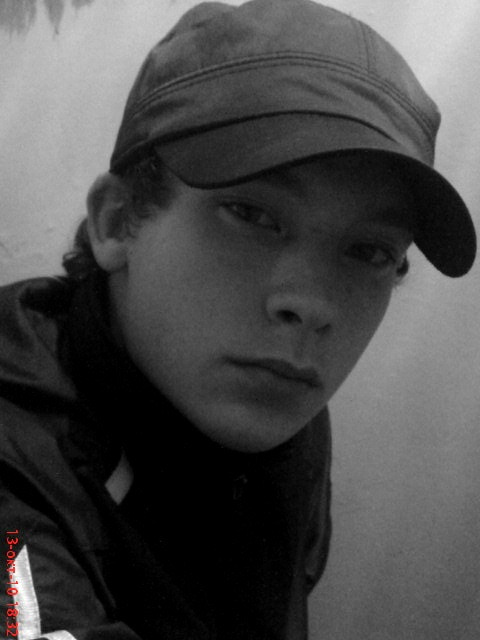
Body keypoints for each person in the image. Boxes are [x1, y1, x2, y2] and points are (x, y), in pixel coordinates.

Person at [0, 0, 476, 638]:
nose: (313, 306)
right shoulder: (18, 467)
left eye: (368, 252)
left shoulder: (271, 394)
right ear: (118, 222)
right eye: (252, 215)